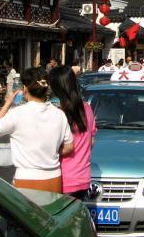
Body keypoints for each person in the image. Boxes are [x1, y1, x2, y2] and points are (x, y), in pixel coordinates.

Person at [0, 67, 74, 193]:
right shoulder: (59, 114)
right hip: (54, 178)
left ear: (25, 88)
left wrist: (7, 104)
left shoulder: (17, 113)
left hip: (27, 178)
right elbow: (69, 147)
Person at [49, 65, 97, 199]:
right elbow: (91, 142)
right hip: (82, 178)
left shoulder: (59, 114)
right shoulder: (87, 108)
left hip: (63, 179)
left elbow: (60, 148)